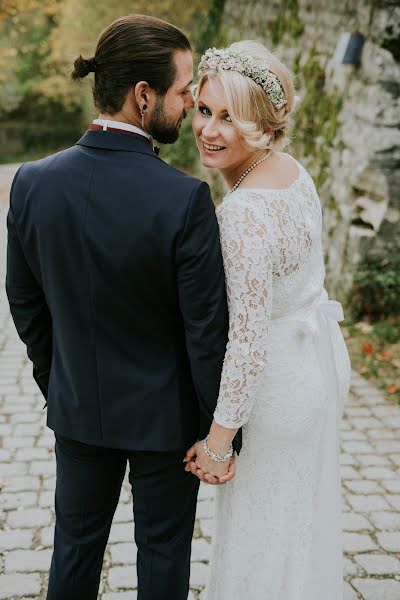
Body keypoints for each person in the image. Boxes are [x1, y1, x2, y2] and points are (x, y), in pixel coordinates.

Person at [5, 15, 238, 600]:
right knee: (163, 556)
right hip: (167, 422)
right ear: (143, 96)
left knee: (74, 551)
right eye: (185, 91)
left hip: (79, 407)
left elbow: (24, 300)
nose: (189, 105)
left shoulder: (31, 183)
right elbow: (206, 331)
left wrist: (60, 379)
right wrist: (218, 432)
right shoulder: (184, 199)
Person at [184, 41, 351, 599]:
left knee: (258, 536)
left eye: (229, 117)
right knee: (291, 534)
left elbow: (247, 340)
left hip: (275, 391)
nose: (208, 129)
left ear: (260, 122)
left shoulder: (244, 213)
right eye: (204, 110)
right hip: (315, 367)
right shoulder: (292, 172)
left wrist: (217, 441)